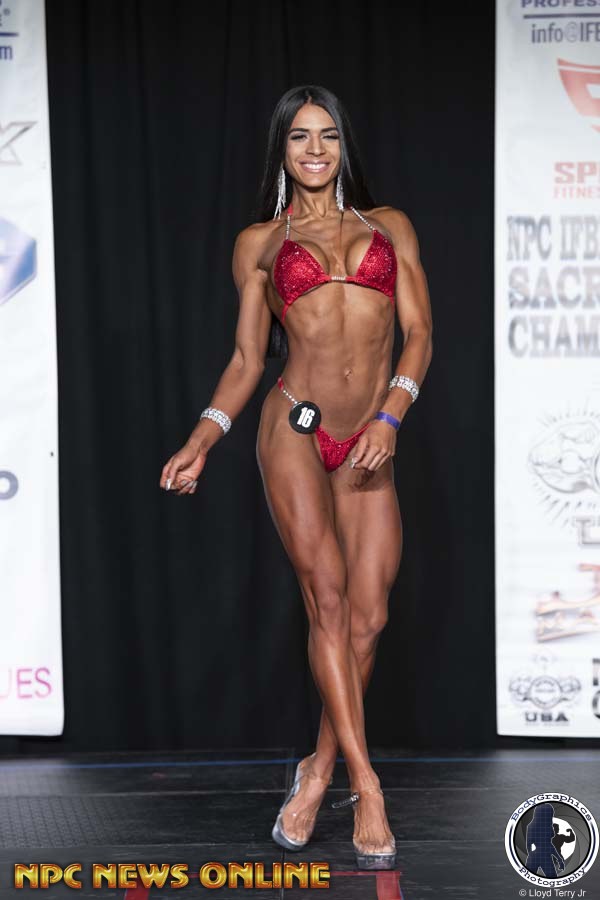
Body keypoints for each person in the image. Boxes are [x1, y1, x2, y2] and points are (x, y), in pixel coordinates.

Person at [160, 84, 433, 870]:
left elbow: (420, 334)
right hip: (295, 431)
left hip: (372, 435)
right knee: (329, 601)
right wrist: (202, 439)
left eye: (328, 136)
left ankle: (318, 766)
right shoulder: (259, 243)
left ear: (344, 146)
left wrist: (390, 418)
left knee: (369, 618)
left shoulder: (390, 227)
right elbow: (249, 361)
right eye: (300, 137)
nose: (315, 150)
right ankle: (366, 786)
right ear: (281, 149)